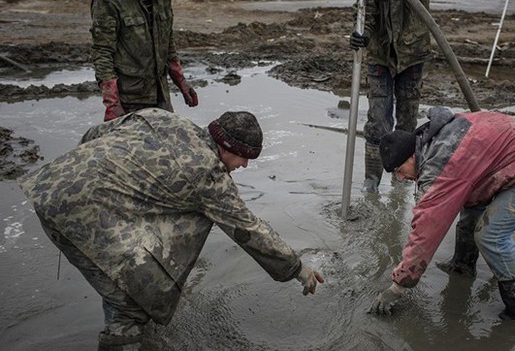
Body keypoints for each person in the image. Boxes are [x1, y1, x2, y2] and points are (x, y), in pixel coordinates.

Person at [18, 108, 324, 350]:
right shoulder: (208, 175)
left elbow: (95, 134)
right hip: (76, 214)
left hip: (50, 184)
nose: (244, 165)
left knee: (123, 272)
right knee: (129, 302)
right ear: (226, 146)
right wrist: (297, 268)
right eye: (244, 157)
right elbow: (249, 230)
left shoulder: (162, 118)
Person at [369, 106, 515, 321]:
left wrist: (398, 286)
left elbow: (426, 231)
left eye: (399, 171)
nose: (401, 178)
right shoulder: (431, 141)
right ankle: (462, 266)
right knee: (472, 205)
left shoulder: (441, 164)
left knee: (491, 235)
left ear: (410, 157)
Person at [349, 0, 438, 192]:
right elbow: (363, 13)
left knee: (407, 119)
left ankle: (403, 177)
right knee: (378, 120)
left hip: (412, 56)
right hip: (380, 58)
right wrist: (360, 34)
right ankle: (371, 179)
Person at [90, 0, 198, 122]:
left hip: (160, 94)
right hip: (129, 98)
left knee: (166, 145)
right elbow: (102, 52)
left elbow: (167, 40)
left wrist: (182, 82)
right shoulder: (109, 0)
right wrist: (112, 103)